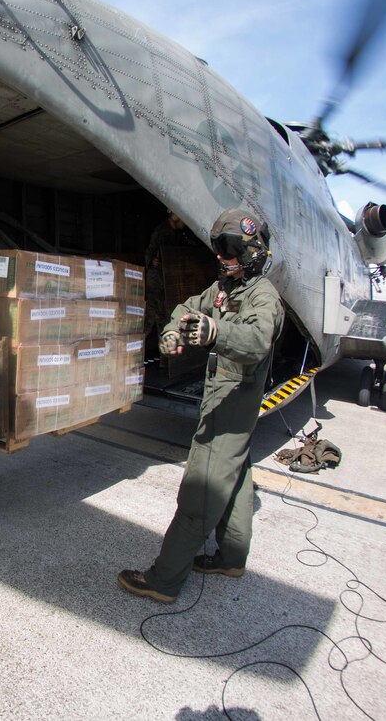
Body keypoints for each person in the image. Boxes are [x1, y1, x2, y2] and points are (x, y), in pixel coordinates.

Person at [118, 207, 284, 603]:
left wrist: (215, 331)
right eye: (218, 248)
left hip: (232, 404)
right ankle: (231, 557)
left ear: (251, 250)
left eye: (229, 248)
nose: (221, 257)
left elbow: (257, 341)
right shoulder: (227, 288)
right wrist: (172, 334)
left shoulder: (263, 297)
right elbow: (189, 308)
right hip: (225, 403)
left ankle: (163, 581)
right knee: (237, 476)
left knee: (201, 492)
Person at [144, 211, 195, 343]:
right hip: (156, 281)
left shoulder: (179, 234)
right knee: (151, 315)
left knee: (164, 317)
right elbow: (150, 251)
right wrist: (151, 261)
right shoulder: (161, 231)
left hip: (168, 281)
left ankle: (165, 358)